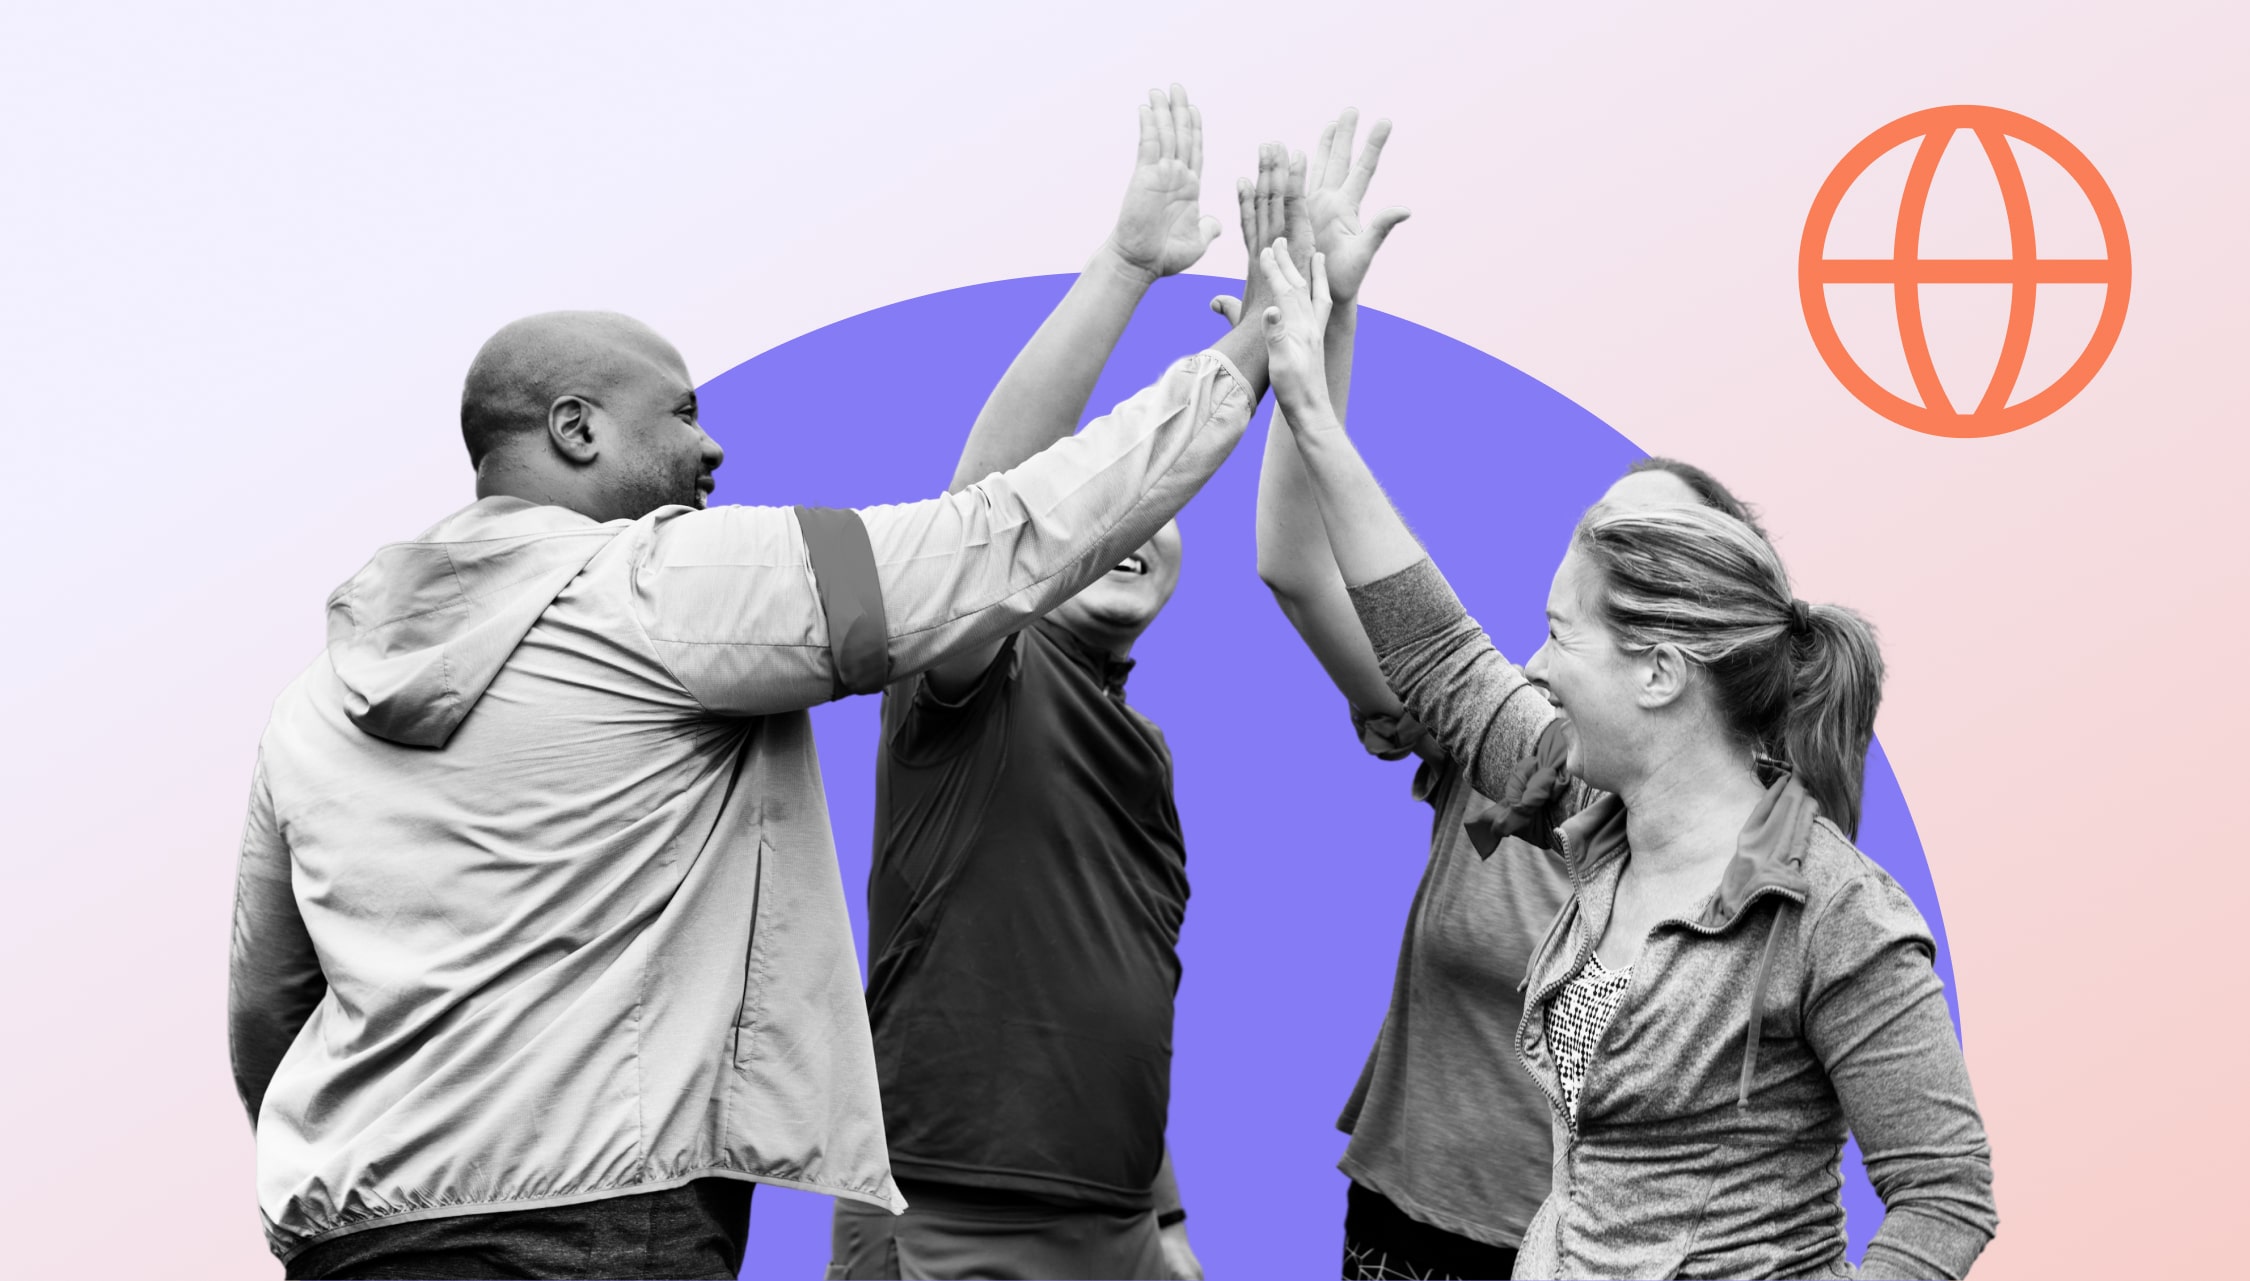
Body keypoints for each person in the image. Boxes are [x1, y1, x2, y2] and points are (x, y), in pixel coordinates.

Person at [224, 133, 1301, 1275]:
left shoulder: (313, 704)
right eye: (682, 413)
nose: (713, 443)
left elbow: (270, 1007)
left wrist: (379, 1161)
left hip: (361, 1231)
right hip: (595, 1219)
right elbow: (986, 543)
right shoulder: (665, 584)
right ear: (577, 428)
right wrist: (1250, 349)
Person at [1247, 243, 1998, 1279]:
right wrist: (1312, 414)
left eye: (1564, 637)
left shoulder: (1834, 917)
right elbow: (1434, 646)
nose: (1538, 667)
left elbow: (1945, 1192)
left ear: (1656, 673)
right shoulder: (1592, 817)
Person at [827, 91, 1306, 1281]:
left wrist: (1169, 1219)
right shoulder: (983, 676)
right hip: (954, 1217)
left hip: (1114, 1220)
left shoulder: (1136, 739)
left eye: (1161, 516)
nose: (1138, 532)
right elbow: (981, 518)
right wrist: (1129, 270)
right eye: (1111, 518)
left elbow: (1113, 996)